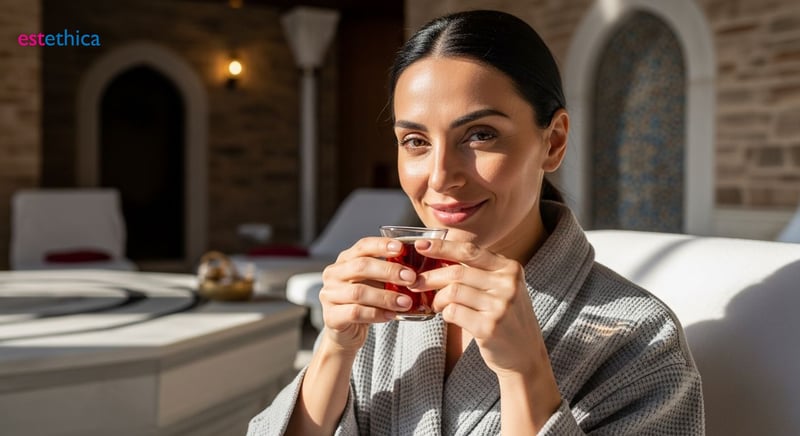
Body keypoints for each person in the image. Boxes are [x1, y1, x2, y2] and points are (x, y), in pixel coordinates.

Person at [248, 9, 704, 435]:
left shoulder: (643, 340)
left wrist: (525, 372)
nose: (440, 177)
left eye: (480, 135)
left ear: (553, 142)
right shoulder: (386, 304)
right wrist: (335, 347)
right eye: (416, 141)